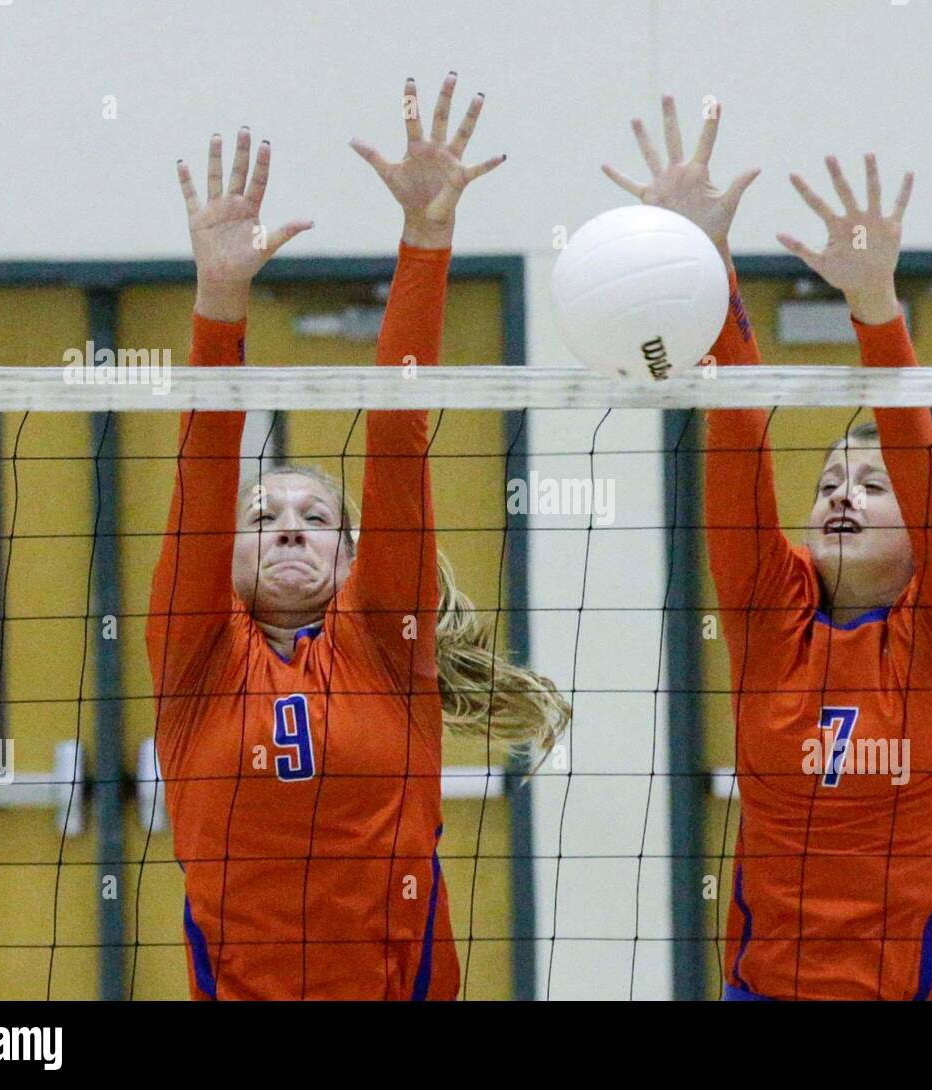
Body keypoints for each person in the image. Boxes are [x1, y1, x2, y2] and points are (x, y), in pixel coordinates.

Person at [604, 97, 932, 999]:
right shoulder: (768, 613)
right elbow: (735, 426)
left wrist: (873, 307)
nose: (840, 496)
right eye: (826, 483)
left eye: (870, 484)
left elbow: (915, 445)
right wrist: (706, 258)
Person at [148, 74, 569, 1000]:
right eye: (264, 518)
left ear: (351, 561)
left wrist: (426, 241)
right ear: (226, 556)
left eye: (318, 519)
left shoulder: (387, 639)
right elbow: (207, 459)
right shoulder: (192, 655)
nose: (289, 528)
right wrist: (220, 296)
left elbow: (397, 428)